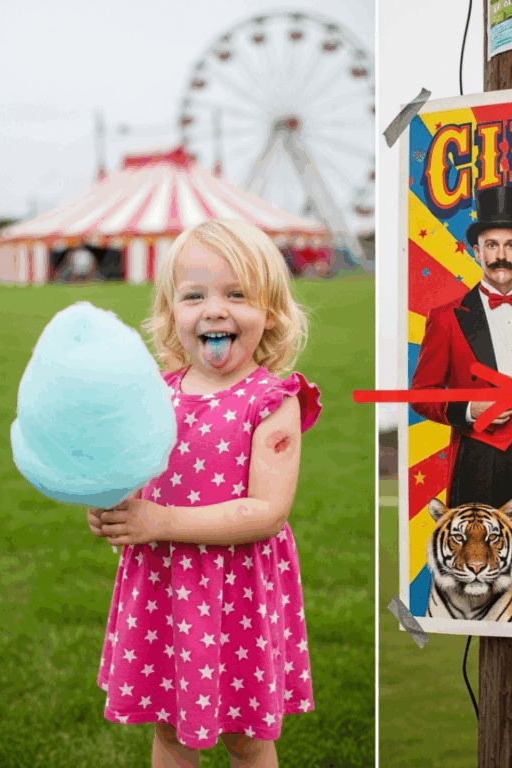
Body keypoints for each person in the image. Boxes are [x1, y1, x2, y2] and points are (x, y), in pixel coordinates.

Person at [87, 219, 321, 767]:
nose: (214, 310)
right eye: (195, 296)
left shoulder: (272, 398)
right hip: (165, 584)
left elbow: (267, 511)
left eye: (236, 294)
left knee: (247, 736)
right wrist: (114, 512)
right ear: (172, 315)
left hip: (237, 589)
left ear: (271, 313)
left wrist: (161, 522)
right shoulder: (155, 393)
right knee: (169, 729)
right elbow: (136, 485)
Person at [411, 185, 512, 567]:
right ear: (477, 251)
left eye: (511, 245)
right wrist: (470, 407)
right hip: (478, 458)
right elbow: (422, 394)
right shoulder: (446, 318)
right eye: (492, 245)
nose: (501, 256)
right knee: (479, 572)